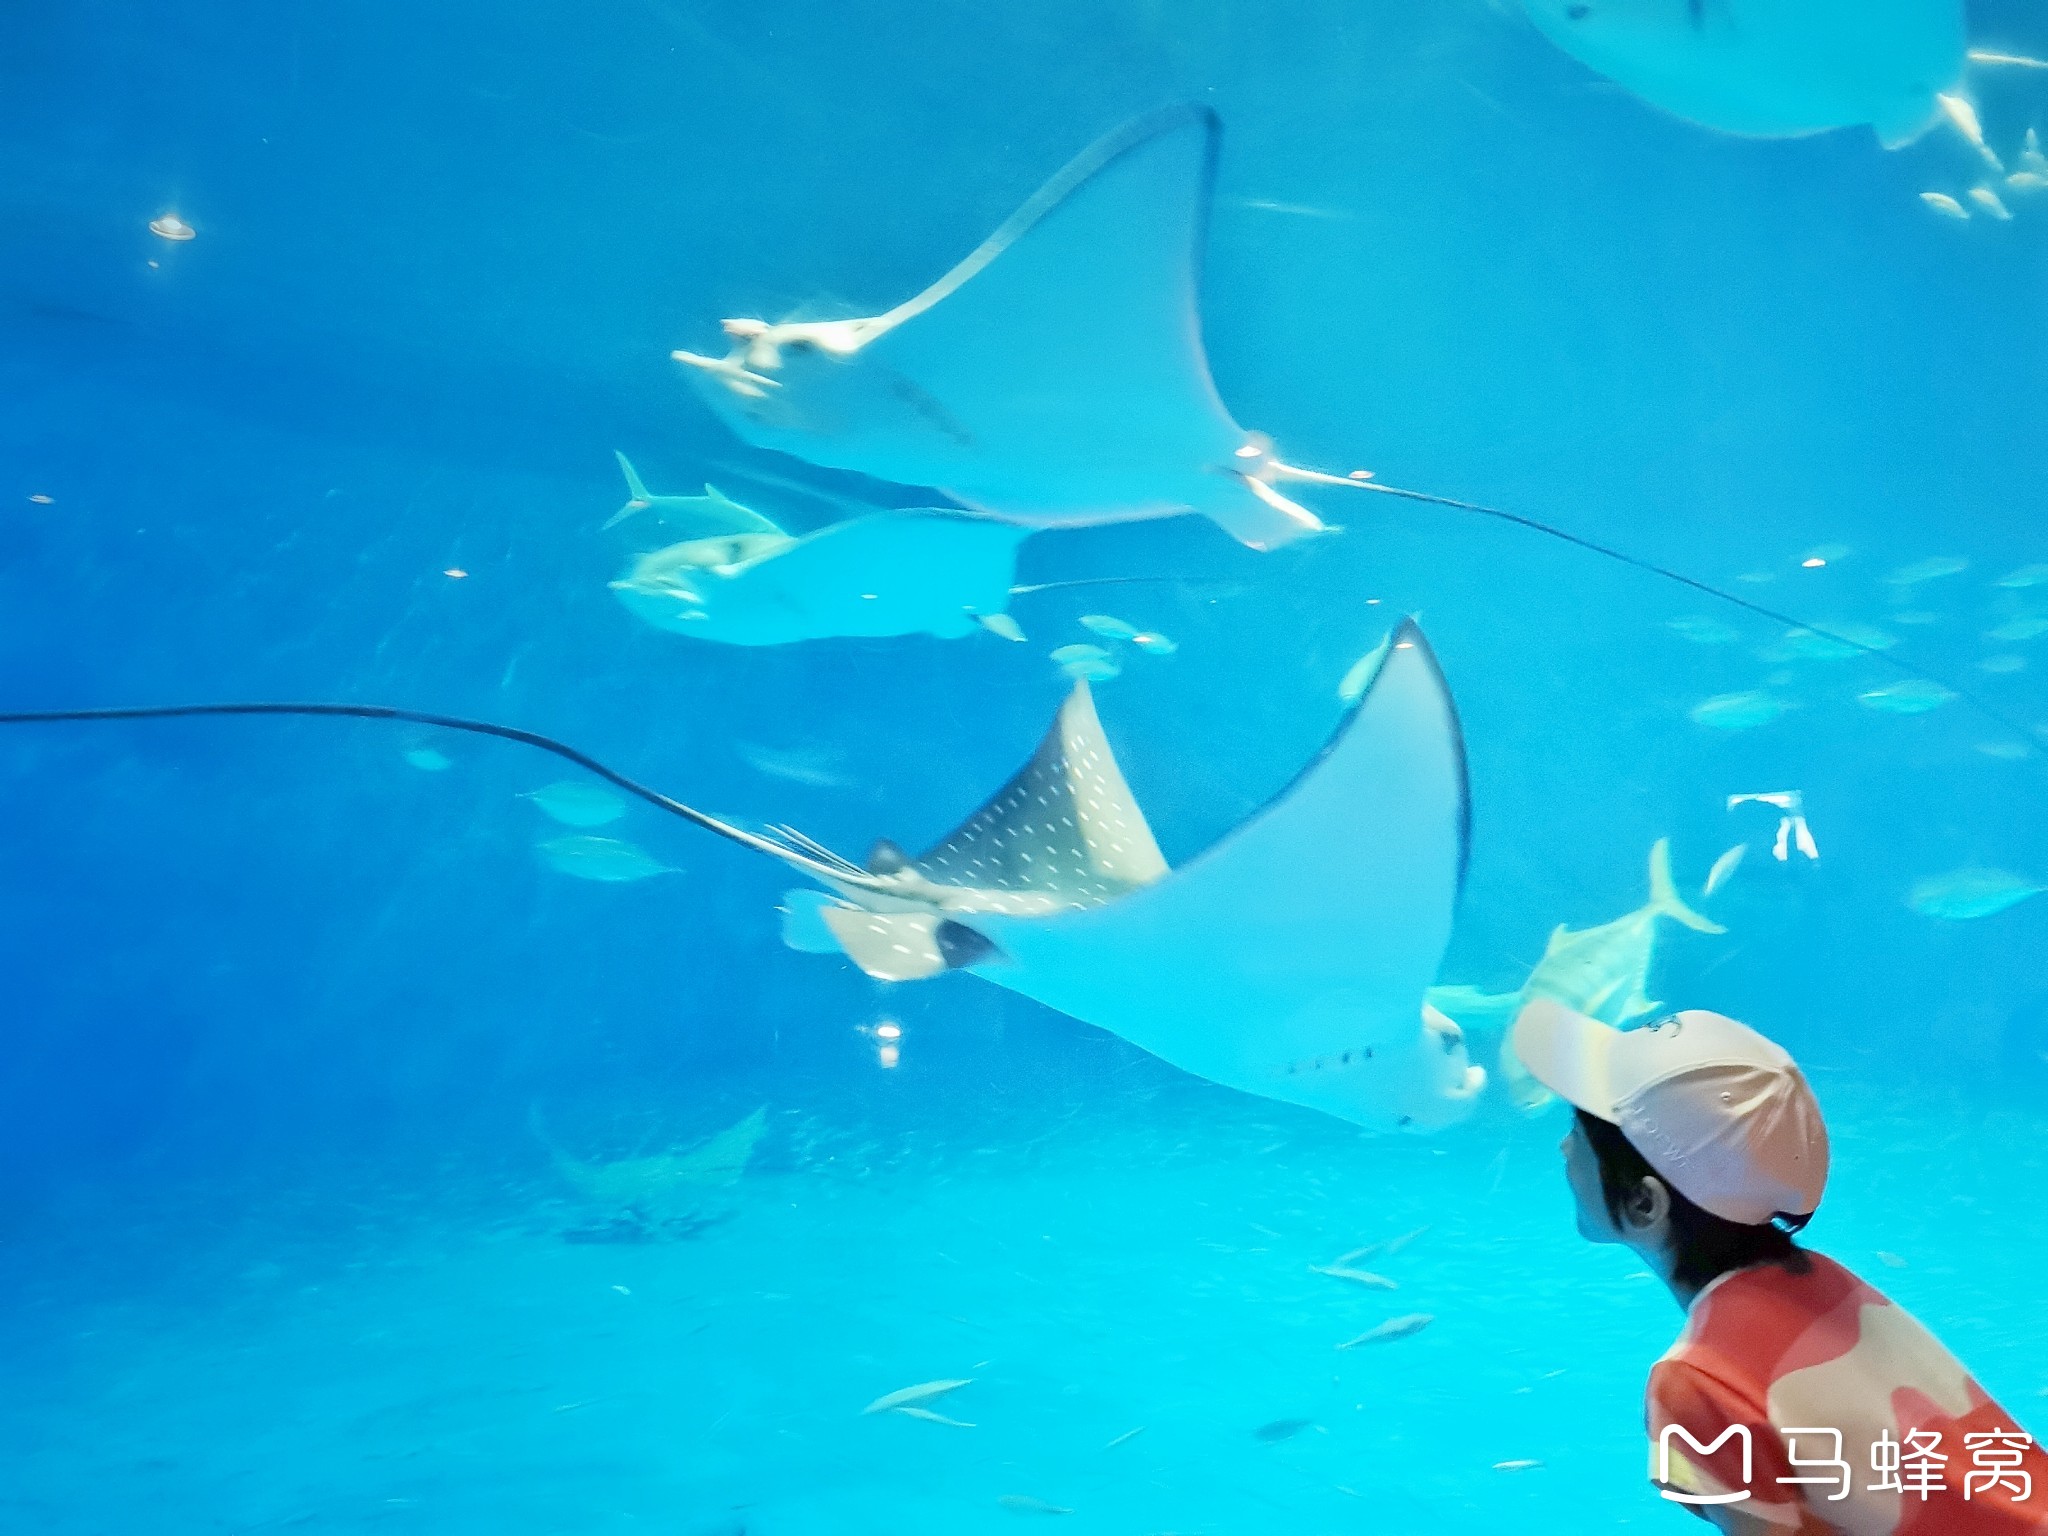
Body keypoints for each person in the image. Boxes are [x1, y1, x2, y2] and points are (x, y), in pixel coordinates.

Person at [1512, 997, 2048, 1533]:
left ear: (1644, 1205)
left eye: (1580, 1135)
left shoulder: (1697, 1383)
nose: (1563, 1148)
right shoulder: (1825, 1281)